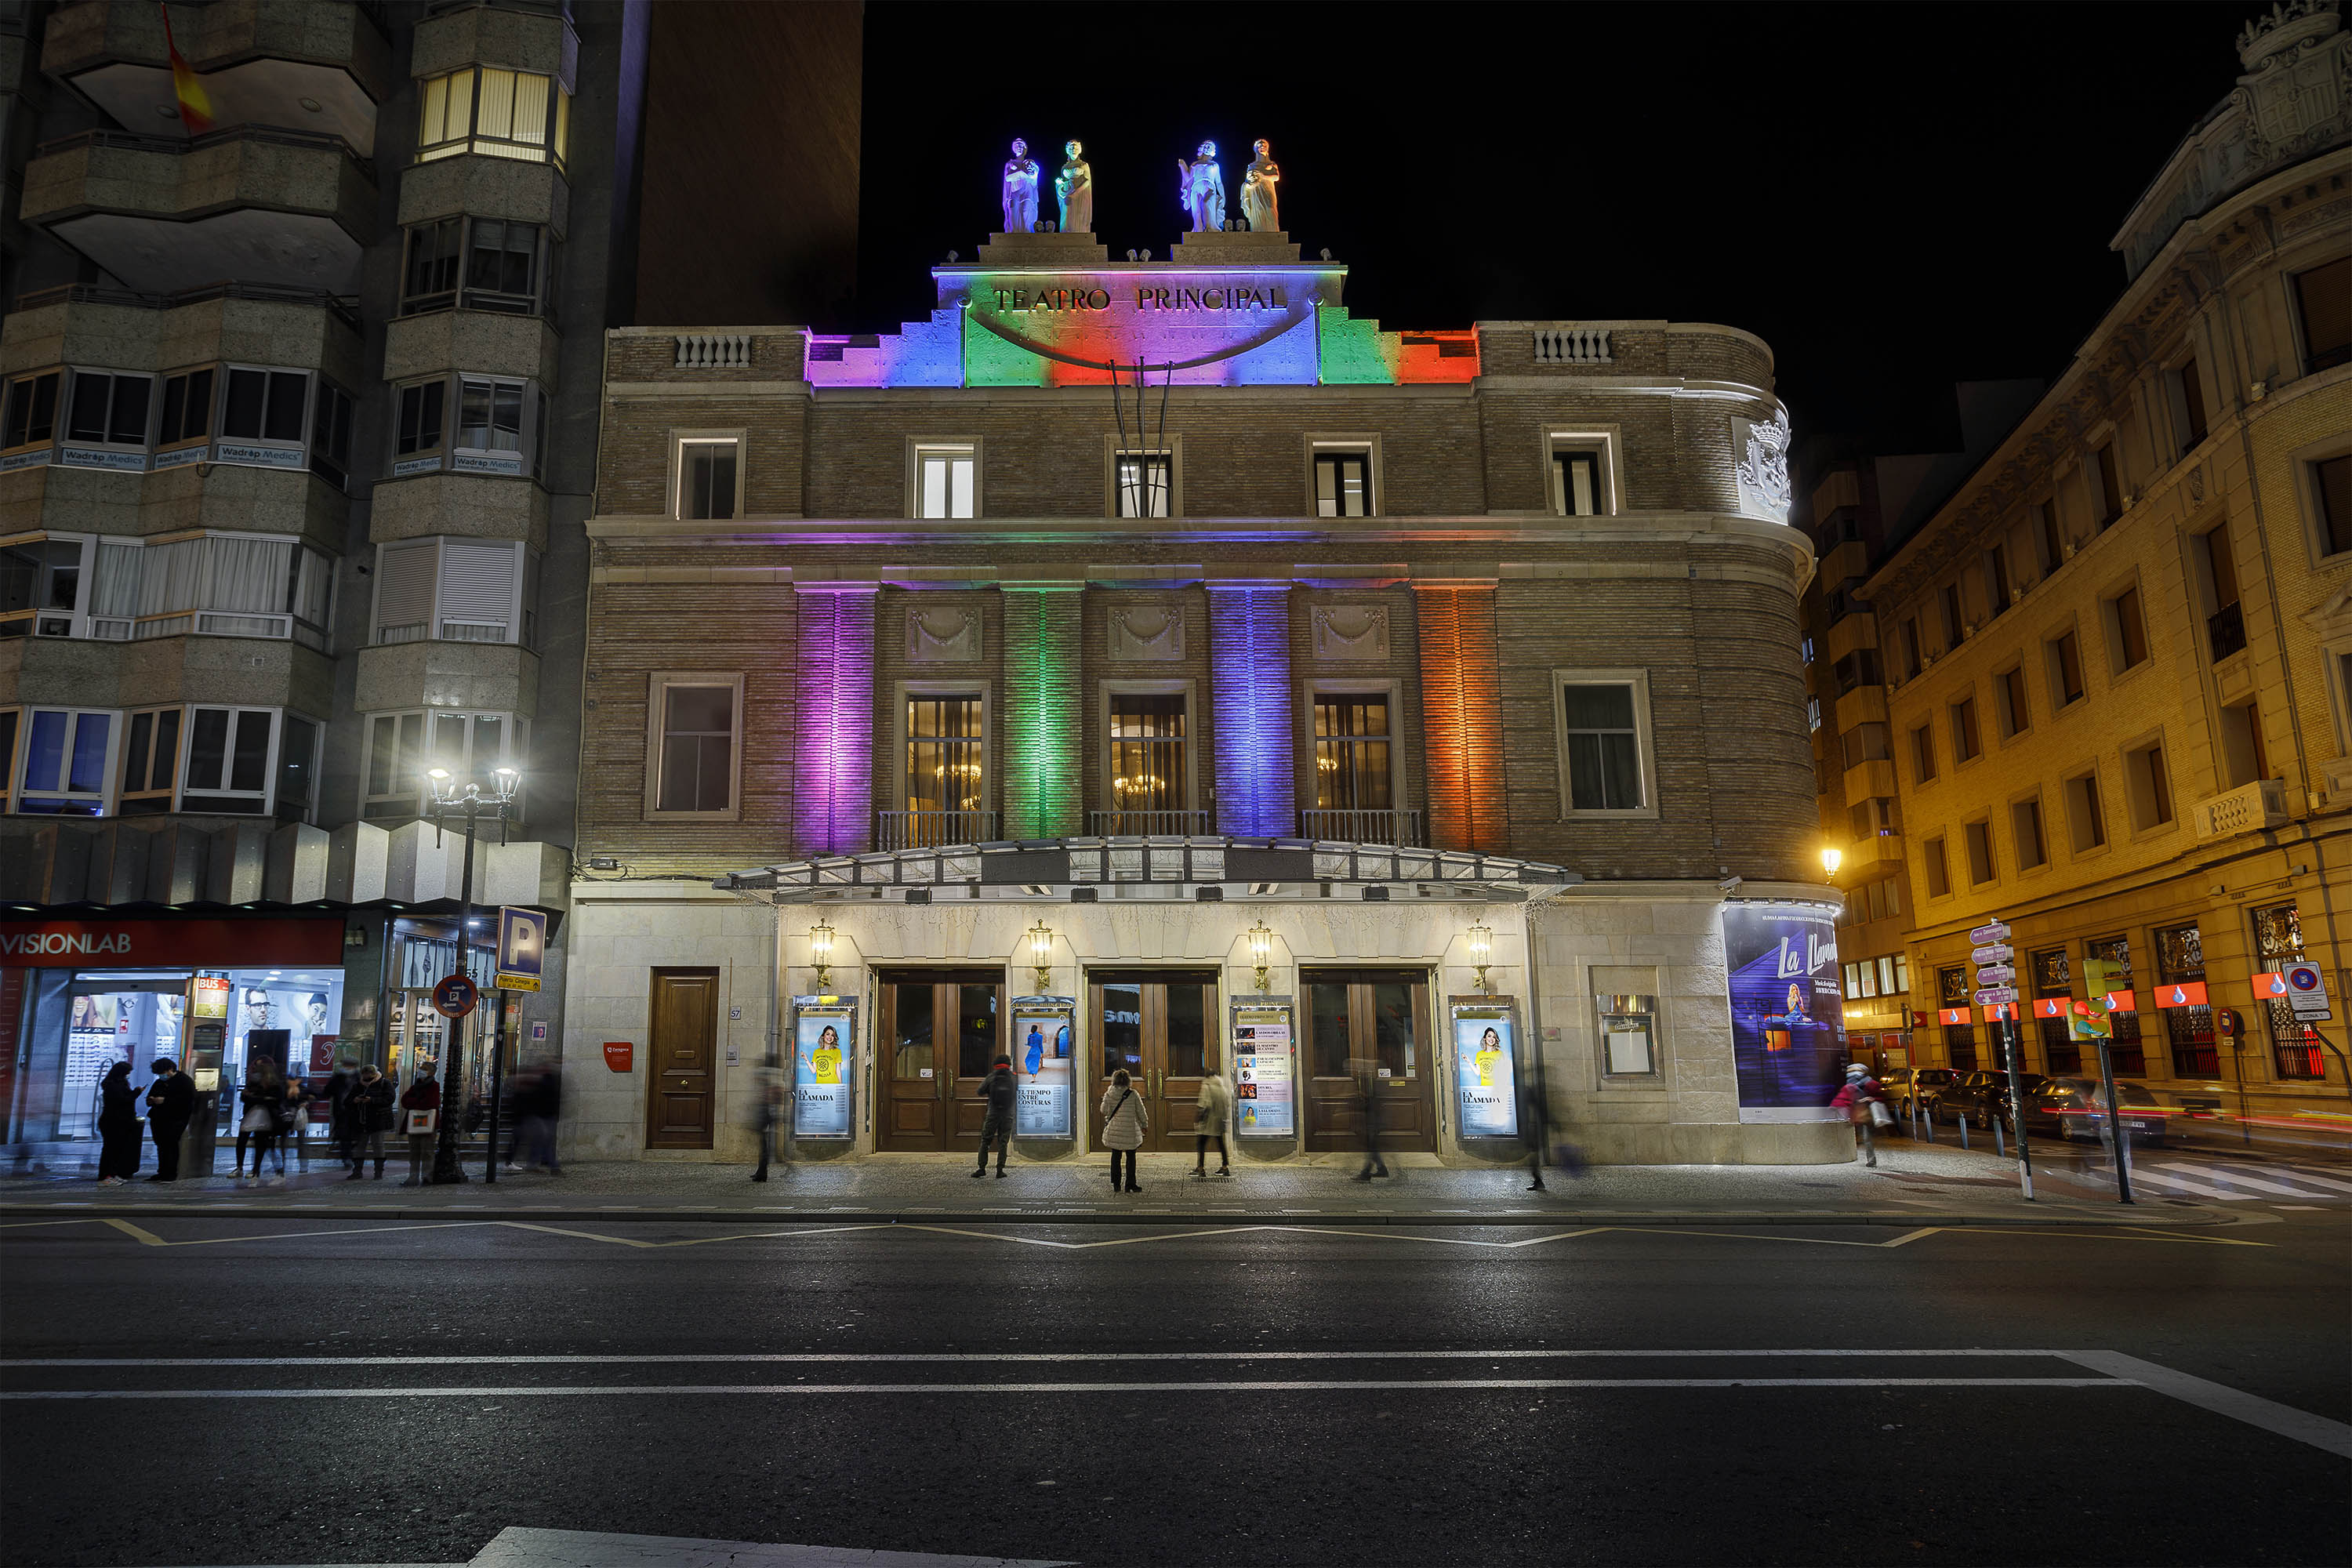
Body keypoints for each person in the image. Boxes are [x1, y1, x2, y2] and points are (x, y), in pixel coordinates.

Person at [1830, 1062, 1890, 1167]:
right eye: (1851, 1071)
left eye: (1855, 1071)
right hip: (1859, 1114)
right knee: (1866, 1137)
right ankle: (1870, 1159)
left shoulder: (1871, 1084)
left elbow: (1880, 1097)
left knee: (1867, 1137)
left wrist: (1871, 1099)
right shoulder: (1850, 1085)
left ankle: (1872, 1160)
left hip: (1870, 1114)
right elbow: (1843, 1098)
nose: (1853, 1073)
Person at [234, 1059, 285, 1184]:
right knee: (254, 1144)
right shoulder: (254, 1084)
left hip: (267, 1120)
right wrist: (261, 1098)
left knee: (264, 1146)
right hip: (252, 1117)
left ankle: (261, 1172)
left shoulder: (274, 1085)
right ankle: (254, 1171)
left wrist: (255, 1098)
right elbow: (246, 1097)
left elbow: (273, 1100)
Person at [143, 1058, 194, 1181]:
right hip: (158, 1118)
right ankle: (162, 1172)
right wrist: (151, 1100)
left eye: (162, 1072)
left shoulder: (184, 1081)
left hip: (176, 1119)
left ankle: (170, 1173)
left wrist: (165, 1101)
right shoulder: (159, 1082)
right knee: (161, 1145)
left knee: (171, 1145)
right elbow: (151, 1095)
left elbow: (187, 1100)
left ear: (170, 1069)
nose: (161, 1076)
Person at [1099, 1068, 1148, 1192]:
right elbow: (1141, 1111)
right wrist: (1144, 1124)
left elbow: (1104, 1110)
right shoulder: (1133, 1094)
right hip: (1130, 1130)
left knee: (1116, 1156)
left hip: (1115, 1130)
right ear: (1128, 1081)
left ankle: (1116, 1184)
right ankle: (1130, 1184)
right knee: (1131, 1157)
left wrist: (1107, 1100)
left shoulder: (1109, 1094)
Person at [96, 1062, 143, 1185]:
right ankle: (104, 1176)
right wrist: (136, 1093)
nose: (128, 1075)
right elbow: (122, 1100)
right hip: (113, 1121)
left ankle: (112, 1174)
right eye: (127, 1073)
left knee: (117, 1150)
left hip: (122, 1121)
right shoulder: (112, 1085)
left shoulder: (121, 1083)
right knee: (110, 1149)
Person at [974, 1054, 1018, 1178]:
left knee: (985, 1140)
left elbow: (980, 1091)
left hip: (993, 1113)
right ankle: (1000, 1170)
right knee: (1003, 1142)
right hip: (1008, 1114)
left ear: (996, 1065)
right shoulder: (1013, 1077)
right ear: (1008, 1065)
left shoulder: (991, 1077)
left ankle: (982, 1168)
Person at [397, 1062, 441, 1186]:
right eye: (421, 1069)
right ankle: (413, 1177)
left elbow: (431, 1103)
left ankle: (427, 1176)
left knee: (427, 1151)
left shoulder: (434, 1086)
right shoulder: (415, 1086)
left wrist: (414, 1102)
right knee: (414, 1152)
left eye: (424, 1069)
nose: (421, 1071)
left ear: (431, 1073)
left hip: (429, 1123)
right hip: (414, 1123)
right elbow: (405, 1101)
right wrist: (418, 1102)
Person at [349, 1064, 394, 1180]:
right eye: (364, 1074)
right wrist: (355, 1100)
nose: (366, 1077)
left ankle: (378, 1172)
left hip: (378, 1120)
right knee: (360, 1146)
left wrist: (372, 1100)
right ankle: (357, 1171)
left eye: (368, 1074)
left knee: (378, 1145)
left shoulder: (384, 1083)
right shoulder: (358, 1085)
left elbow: (389, 1099)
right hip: (361, 1120)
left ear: (373, 1074)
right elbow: (348, 1100)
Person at [750, 1063, 789, 1182]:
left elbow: (772, 1101)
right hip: (766, 1118)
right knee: (763, 1146)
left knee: (764, 1147)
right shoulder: (767, 1083)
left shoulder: (768, 1085)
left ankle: (762, 1174)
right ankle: (760, 1171)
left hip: (766, 1118)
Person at [1519, 1063, 1555, 1192]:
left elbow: (1538, 1108)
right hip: (1532, 1127)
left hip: (1532, 1128)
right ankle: (1538, 1180)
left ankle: (1538, 1181)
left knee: (1533, 1156)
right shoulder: (1527, 1089)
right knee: (1532, 1155)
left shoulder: (1525, 1090)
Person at [1192, 1069, 1232, 1179]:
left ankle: (1201, 1168)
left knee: (1201, 1144)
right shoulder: (1222, 1087)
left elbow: (1204, 1104)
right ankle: (1225, 1167)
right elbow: (1227, 1104)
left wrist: (1198, 1118)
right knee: (1221, 1144)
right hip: (1219, 1120)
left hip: (1208, 1121)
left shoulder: (1207, 1086)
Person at [1352, 1058, 1388, 1181]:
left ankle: (1366, 1172)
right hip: (1374, 1118)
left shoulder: (1377, 1082)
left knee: (1372, 1146)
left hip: (1375, 1118)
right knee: (1372, 1146)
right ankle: (1381, 1169)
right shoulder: (1374, 1081)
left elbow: (1375, 1101)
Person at [325, 1058, 359, 1169]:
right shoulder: (337, 1078)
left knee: (354, 1136)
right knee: (344, 1135)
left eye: (350, 1066)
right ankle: (346, 1158)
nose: (347, 1068)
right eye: (346, 1065)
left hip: (355, 1111)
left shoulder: (359, 1077)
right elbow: (327, 1092)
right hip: (341, 1111)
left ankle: (350, 1154)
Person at [1240, 138, 1279, 231]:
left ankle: (1273, 232)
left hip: (1268, 189)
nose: (1262, 147)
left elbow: (1276, 177)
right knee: (1258, 210)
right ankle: (1258, 231)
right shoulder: (1251, 166)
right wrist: (1248, 185)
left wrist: (1263, 176)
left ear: (1267, 149)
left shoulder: (1272, 164)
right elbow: (1248, 180)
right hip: (1255, 191)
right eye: (1259, 146)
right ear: (1255, 149)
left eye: (1264, 146)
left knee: (1270, 208)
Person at [1001, 138, 1039, 233]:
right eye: (1017, 146)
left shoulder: (1031, 163)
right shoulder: (1010, 163)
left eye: (1021, 145)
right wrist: (1021, 174)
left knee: (1027, 207)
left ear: (1025, 148)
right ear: (1014, 148)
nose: (1019, 147)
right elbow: (1007, 178)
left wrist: (1034, 173)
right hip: (1014, 191)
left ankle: (1027, 232)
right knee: (1013, 206)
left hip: (1027, 191)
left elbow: (1033, 181)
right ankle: (1014, 233)